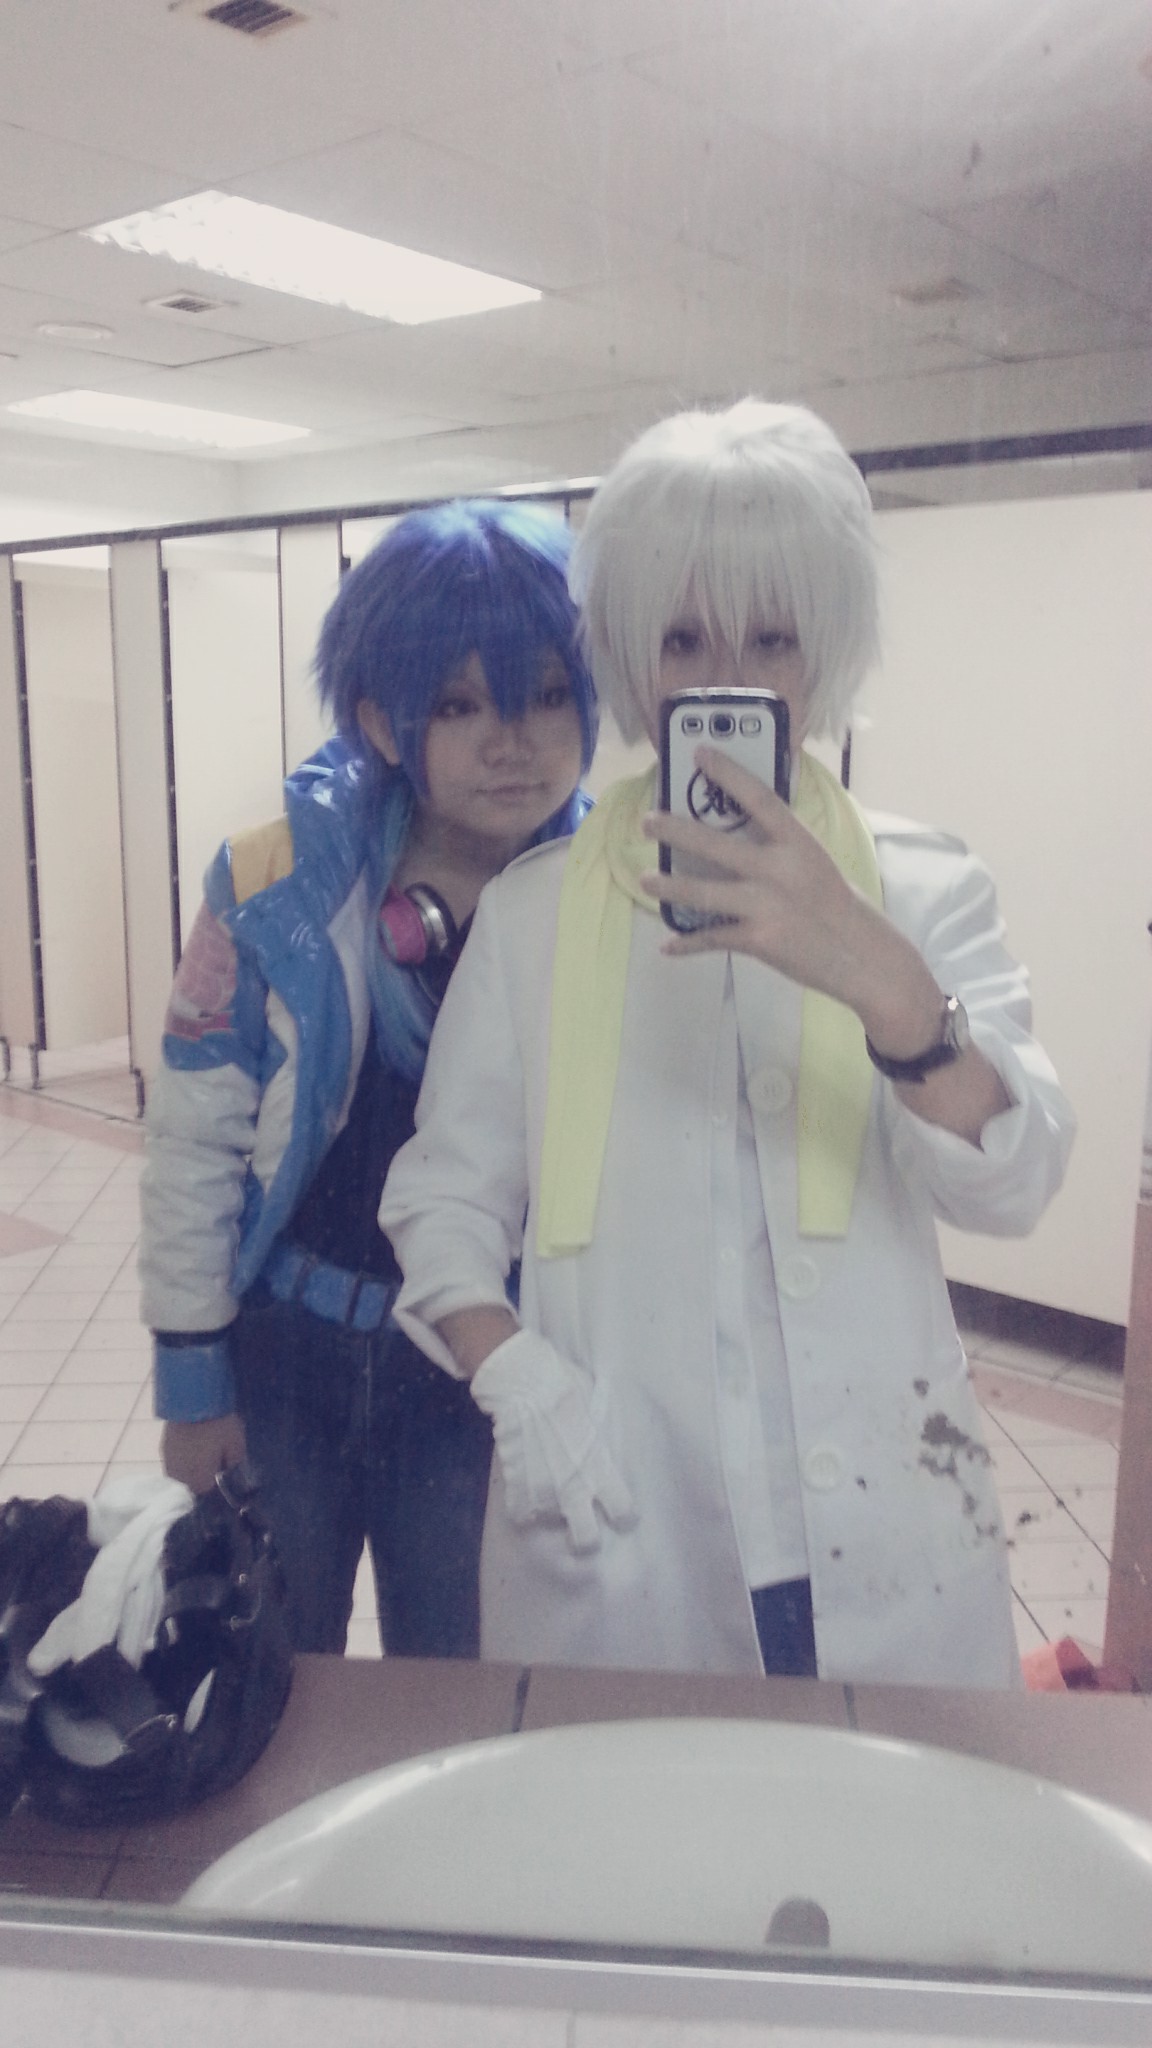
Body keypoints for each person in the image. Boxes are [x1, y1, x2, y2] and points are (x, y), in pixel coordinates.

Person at [379, 401, 1076, 1688]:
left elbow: (1015, 1182)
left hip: (884, 1531)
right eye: (684, 637)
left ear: (826, 650)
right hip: (623, 1527)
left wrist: (879, 977)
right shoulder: (535, 915)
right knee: (646, 1817)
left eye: (772, 635)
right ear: (633, 655)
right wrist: (511, 1368)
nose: (728, 677)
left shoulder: (918, 888)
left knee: (878, 1816)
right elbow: (441, 1196)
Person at [139, 500, 598, 1659]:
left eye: (549, 694)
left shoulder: (620, 899)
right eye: (460, 703)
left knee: (456, 1675)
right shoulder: (274, 884)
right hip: (286, 1349)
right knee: (267, 1669)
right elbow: (193, 1142)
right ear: (381, 719)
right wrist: (193, 1378)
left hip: (475, 1365)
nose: (513, 739)